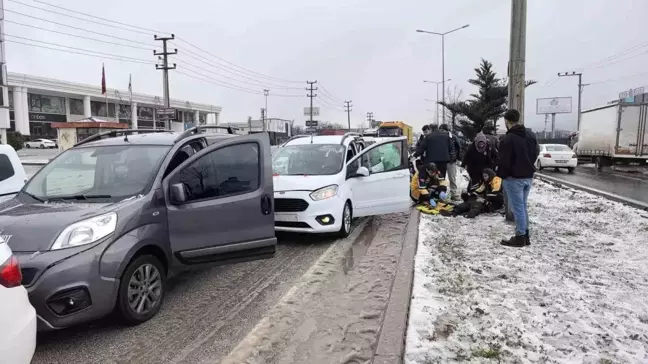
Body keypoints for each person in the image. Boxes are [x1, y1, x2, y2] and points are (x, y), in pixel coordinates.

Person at [497, 109, 539, 247]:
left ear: (506, 121)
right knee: (522, 207)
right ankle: (525, 235)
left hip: (514, 178)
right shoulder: (530, 135)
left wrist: (503, 174)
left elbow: (503, 160)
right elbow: (536, 152)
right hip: (528, 175)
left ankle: (520, 236)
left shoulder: (508, 138)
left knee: (518, 208)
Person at [439, 124, 462, 201]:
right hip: (441, 161)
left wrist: (459, 158)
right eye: (440, 130)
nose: (442, 132)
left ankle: (453, 193)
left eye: (443, 130)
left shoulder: (453, 137)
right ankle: (441, 193)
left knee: (452, 177)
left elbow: (459, 147)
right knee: (441, 178)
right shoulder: (439, 138)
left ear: (447, 130)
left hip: (451, 161)